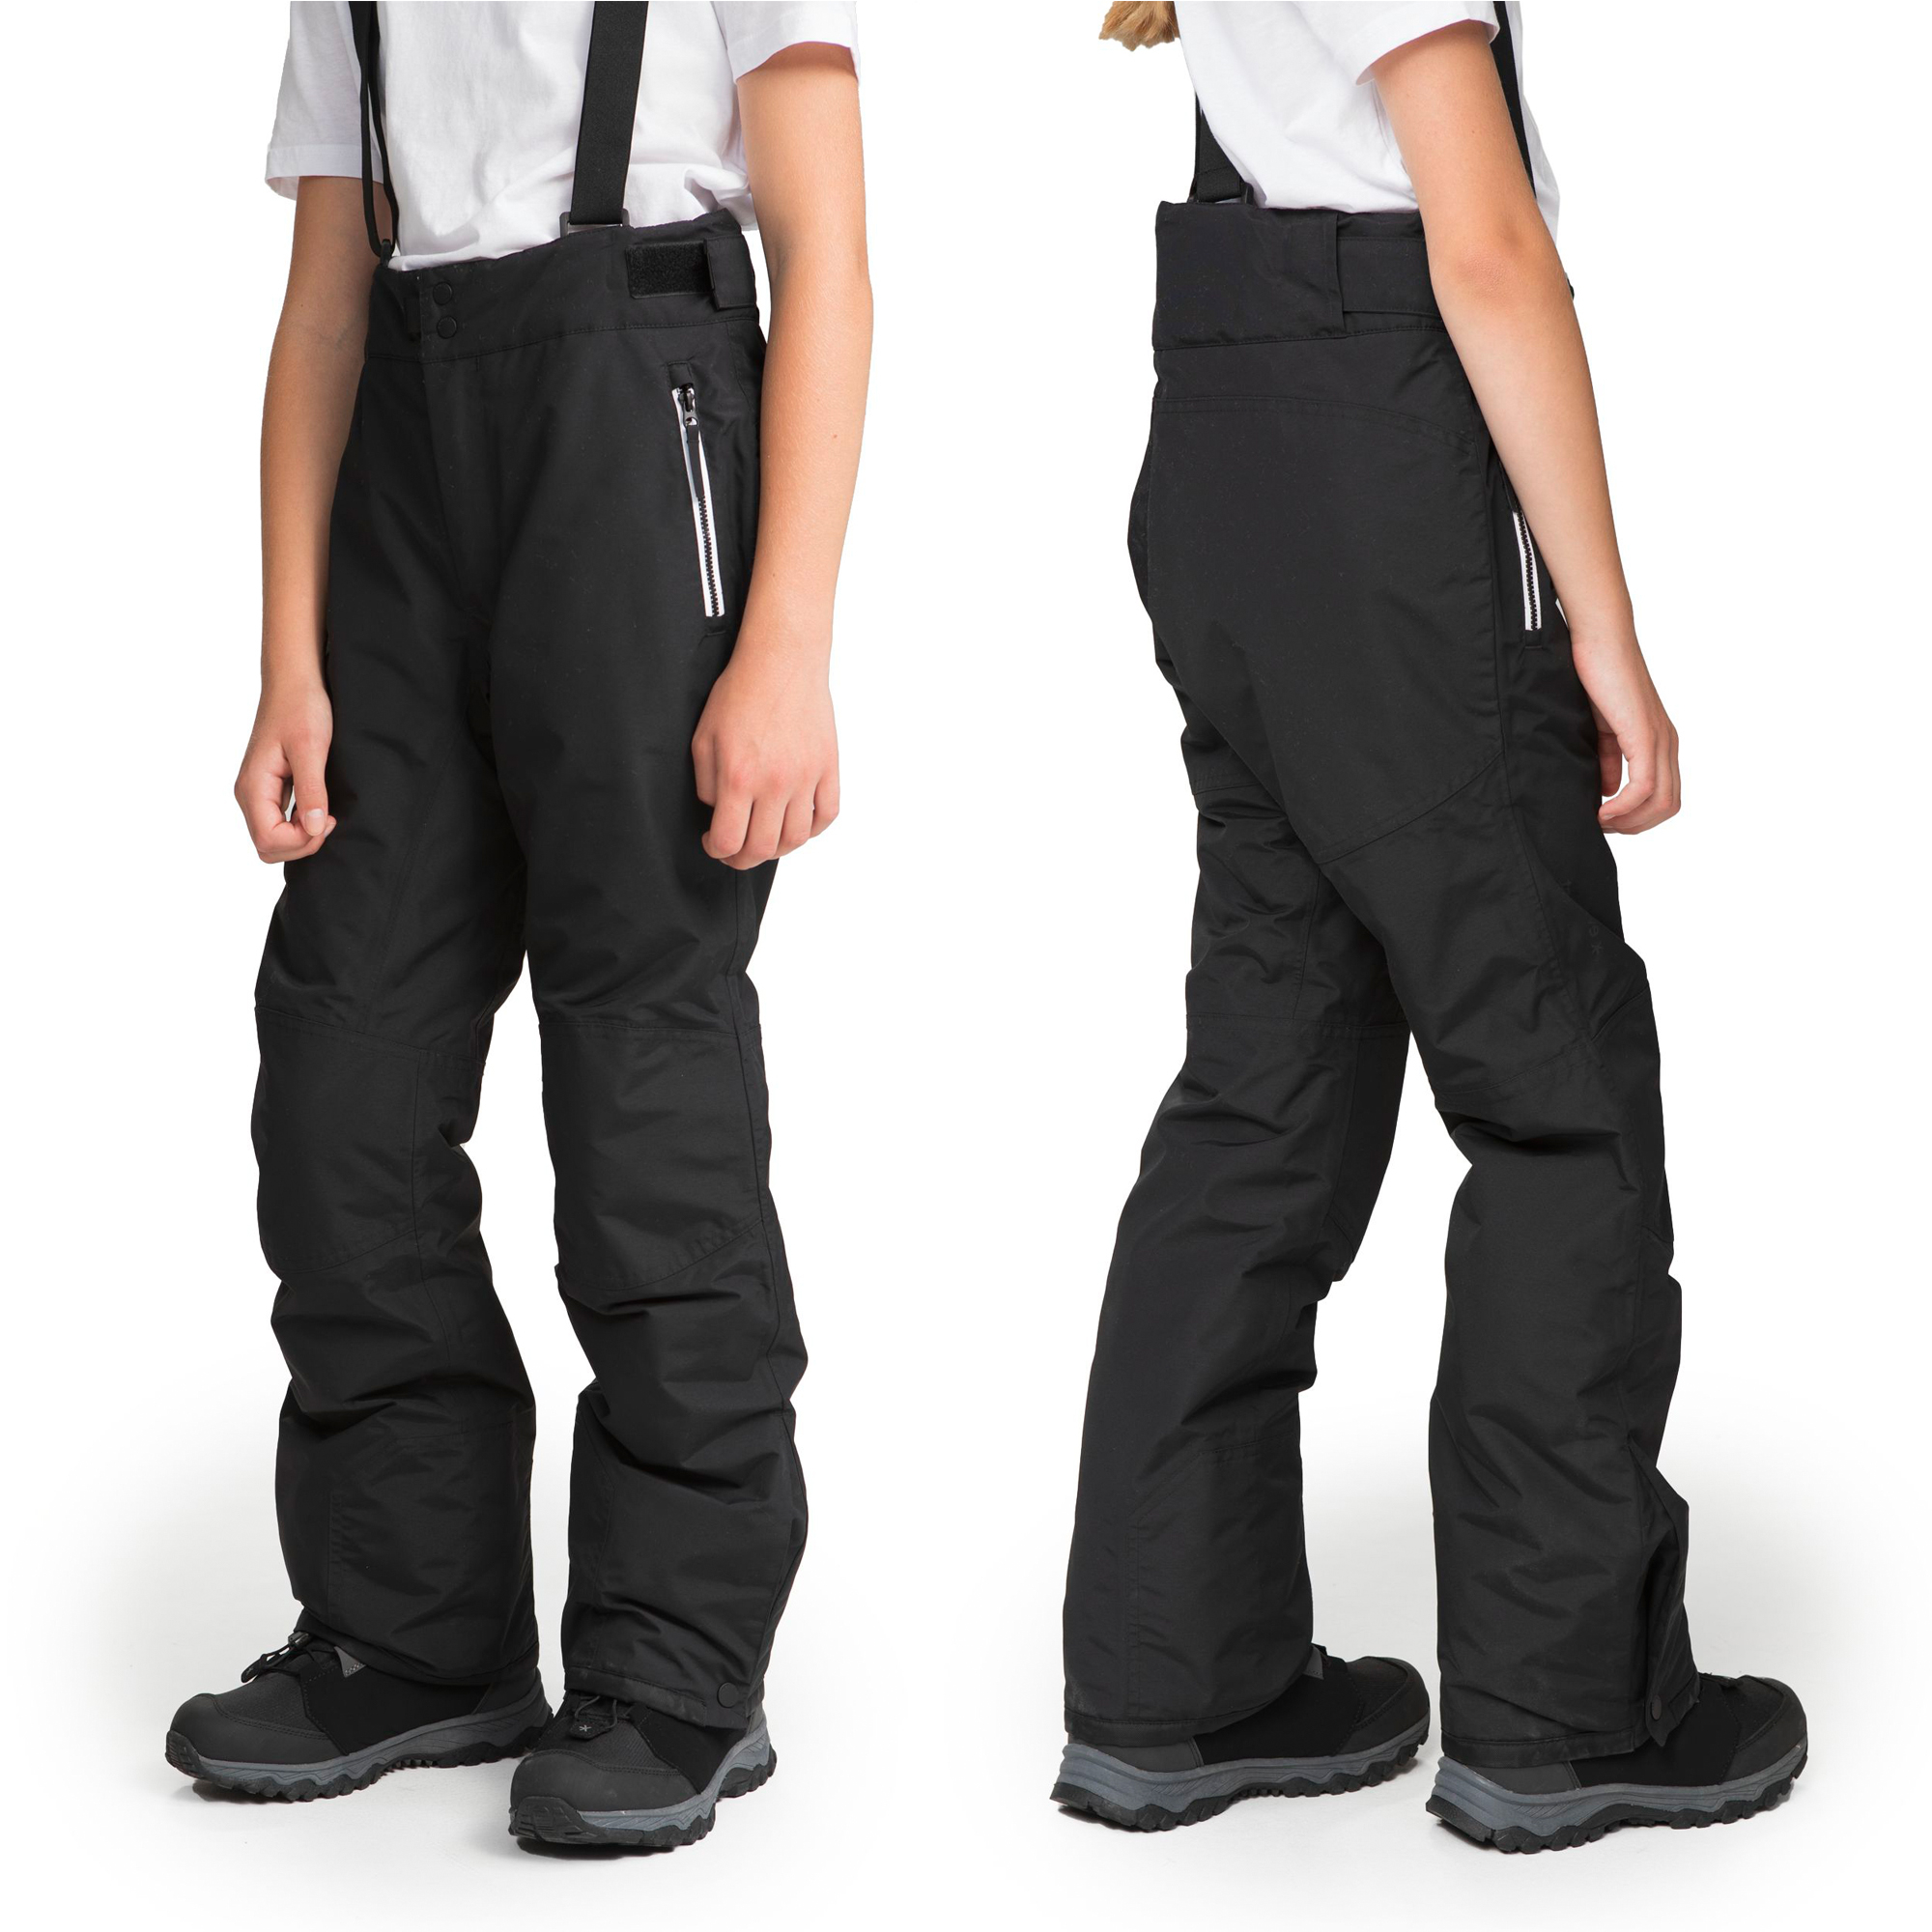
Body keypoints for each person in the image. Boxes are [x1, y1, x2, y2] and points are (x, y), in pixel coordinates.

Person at [1054, 2, 1804, 1853]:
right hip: (1389, 472)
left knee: (1265, 1086)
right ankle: (1565, 1713)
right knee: (1554, 1092)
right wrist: (1607, 631)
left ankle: (1178, 1685)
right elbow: (1485, 247)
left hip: (1232, 453)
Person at [164, 1, 868, 1854]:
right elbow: (329, 301)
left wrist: (787, 642)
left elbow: (827, 247)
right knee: (345, 1066)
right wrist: (292, 654)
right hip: (405, 464)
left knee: (642, 1078)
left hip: (642, 424)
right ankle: (415, 1632)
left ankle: (677, 1662)